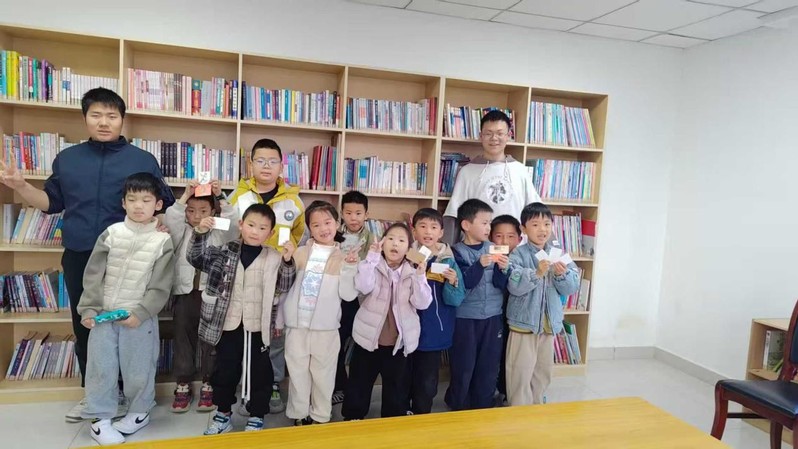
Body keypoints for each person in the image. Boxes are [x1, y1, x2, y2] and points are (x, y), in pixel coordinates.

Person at [0, 87, 175, 422]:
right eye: (96, 115)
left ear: (122, 120)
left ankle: (130, 396)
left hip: (130, 255)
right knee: (88, 326)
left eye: (111, 116)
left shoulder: (142, 160)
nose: (104, 122)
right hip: (81, 254)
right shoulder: (68, 159)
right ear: (85, 118)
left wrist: (161, 228)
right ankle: (96, 395)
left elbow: (162, 202)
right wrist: (20, 186)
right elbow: (51, 203)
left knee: (131, 325)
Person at [77, 173, 175, 445]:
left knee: (139, 368)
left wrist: (141, 312)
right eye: (132, 199)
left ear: (158, 205)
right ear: (123, 203)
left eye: (146, 200)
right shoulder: (111, 234)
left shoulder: (162, 241)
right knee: (101, 367)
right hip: (104, 315)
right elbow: (93, 274)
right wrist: (89, 309)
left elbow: (161, 285)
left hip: (139, 318)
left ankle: (139, 413)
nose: (138, 205)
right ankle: (99, 419)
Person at [187, 203, 296, 434]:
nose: (255, 231)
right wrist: (200, 233)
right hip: (228, 324)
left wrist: (288, 261)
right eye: (251, 225)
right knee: (224, 370)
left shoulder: (274, 257)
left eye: (262, 228)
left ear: (271, 233)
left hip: (258, 326)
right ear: (241, 224)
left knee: (260, 373)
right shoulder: (224, 251)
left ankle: (257, 415)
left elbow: (285, 284)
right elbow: (196, 258)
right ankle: (223, 413)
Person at [228, 138, 305, 414]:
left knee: (275, 334)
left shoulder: (294, 201)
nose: (266, 166)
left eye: (272, 161)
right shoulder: (237, 197)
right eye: (260, 160)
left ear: (281, 166)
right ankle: (245, 386)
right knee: (244, 334)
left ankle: (272, 382)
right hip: (245, 277)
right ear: (250, 164)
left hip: (277, 279)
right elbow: (228, 233)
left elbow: (299, 237)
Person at [278, 201, 359, 425]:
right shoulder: (300, 253)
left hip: (326, 329)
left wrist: (350, 268)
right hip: (297, 327)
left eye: (328, 222)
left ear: (337, 224)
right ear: (309, 229)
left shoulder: (344, 258)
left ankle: (321, 415)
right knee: (297, 373)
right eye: (316, 225)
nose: (323, 228)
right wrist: (287, 259)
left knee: (323, 375)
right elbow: (283, 285)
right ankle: (299, 414)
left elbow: (349, 295)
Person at [341, 224, 432, 421]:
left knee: (396, 387)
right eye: (390, 238)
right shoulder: (371, 265)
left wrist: (420, 276)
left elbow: (422, 303)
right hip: (369, 338)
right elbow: (362, 287)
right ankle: (353, 417)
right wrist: (371, 258)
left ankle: (393, 420)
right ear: (382, 243)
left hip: (398, 342)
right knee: (359, 383)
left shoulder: (412, 272)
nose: (395, 244)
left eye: (401, 240)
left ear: (409, 248)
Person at [163, 180, 239, 413]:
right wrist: (184, 196)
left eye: (203, 211)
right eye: (191, 211)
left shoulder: (219, 231)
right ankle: (183, 383)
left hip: (211, 295)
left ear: (213, 212)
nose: (196, 216)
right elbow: (171, 218)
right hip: (185, 294)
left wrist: (221, 196)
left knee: (211, 341)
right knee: (183, 339)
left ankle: (209, 381)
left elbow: (235, 225)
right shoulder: (181, 230)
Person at [506, 202, 580, 406]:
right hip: (524, 325)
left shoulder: (559, 253)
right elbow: (513, 285)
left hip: (549, 325)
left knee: (543, 372)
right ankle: (518, 410)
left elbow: (572, 286)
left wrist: (562, 275)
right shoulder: (518, 254)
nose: (542, 229)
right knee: (519, 373)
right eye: (535, 224)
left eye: (547, 224)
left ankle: (537, 408)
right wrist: (536, 273)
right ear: (523, 229)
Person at [444, 199, 510, 411]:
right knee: (463, 366)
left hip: (493, 316)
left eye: (490, 223)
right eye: (484, 223)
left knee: (488, 365)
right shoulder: (455, 252)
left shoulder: (494, 249)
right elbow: (464, 283)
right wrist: (479, 265)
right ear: (466, 225)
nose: (489, 228)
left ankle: (483, 404)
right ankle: (459, 405)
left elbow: (501, 284)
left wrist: (504, 269)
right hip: (465, 318)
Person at [442, 110, 540, 246]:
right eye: (488, 133)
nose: (494, 138)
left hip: (515, 248)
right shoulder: (467, 172)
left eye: (500, 133)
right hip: (477, 249)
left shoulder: (520, 170)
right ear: (481, 136)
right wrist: (446, 251)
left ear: (508, 136)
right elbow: (454, 214)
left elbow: (536, 212)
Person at [406, 208, 464, 415]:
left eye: (433, 227)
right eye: (422, 226)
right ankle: (403, 410)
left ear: (441, 232)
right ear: (414, 231)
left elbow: (456, 299)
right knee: (404, 374)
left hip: (434, 328)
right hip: (406, 326)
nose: (428, 231)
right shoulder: (407, 255)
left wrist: (453, 281)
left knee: (427, 378)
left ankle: (421, 413)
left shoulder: (448, 259)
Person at [333, 190, 372, 405]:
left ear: (366, 214)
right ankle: (340, 385)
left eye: (358, 213)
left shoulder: (372, 239)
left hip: (362, 299)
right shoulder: (334, 234)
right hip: (338, 298)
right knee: (336, 344)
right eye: (348, 213)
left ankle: (357, 391)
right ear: (342, 213)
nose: (353, 218)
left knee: (361, 346)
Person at [489, 214, 523, 404]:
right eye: (499, 236)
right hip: (494, 314)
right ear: (490, 237)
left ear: (519, 239)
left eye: (510, 236)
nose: (504, 241)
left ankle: (506, 389)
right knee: (495, 352)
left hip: (516, 315)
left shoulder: (523, 258)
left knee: (511, 354)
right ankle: (493, 388)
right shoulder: (488, 257)